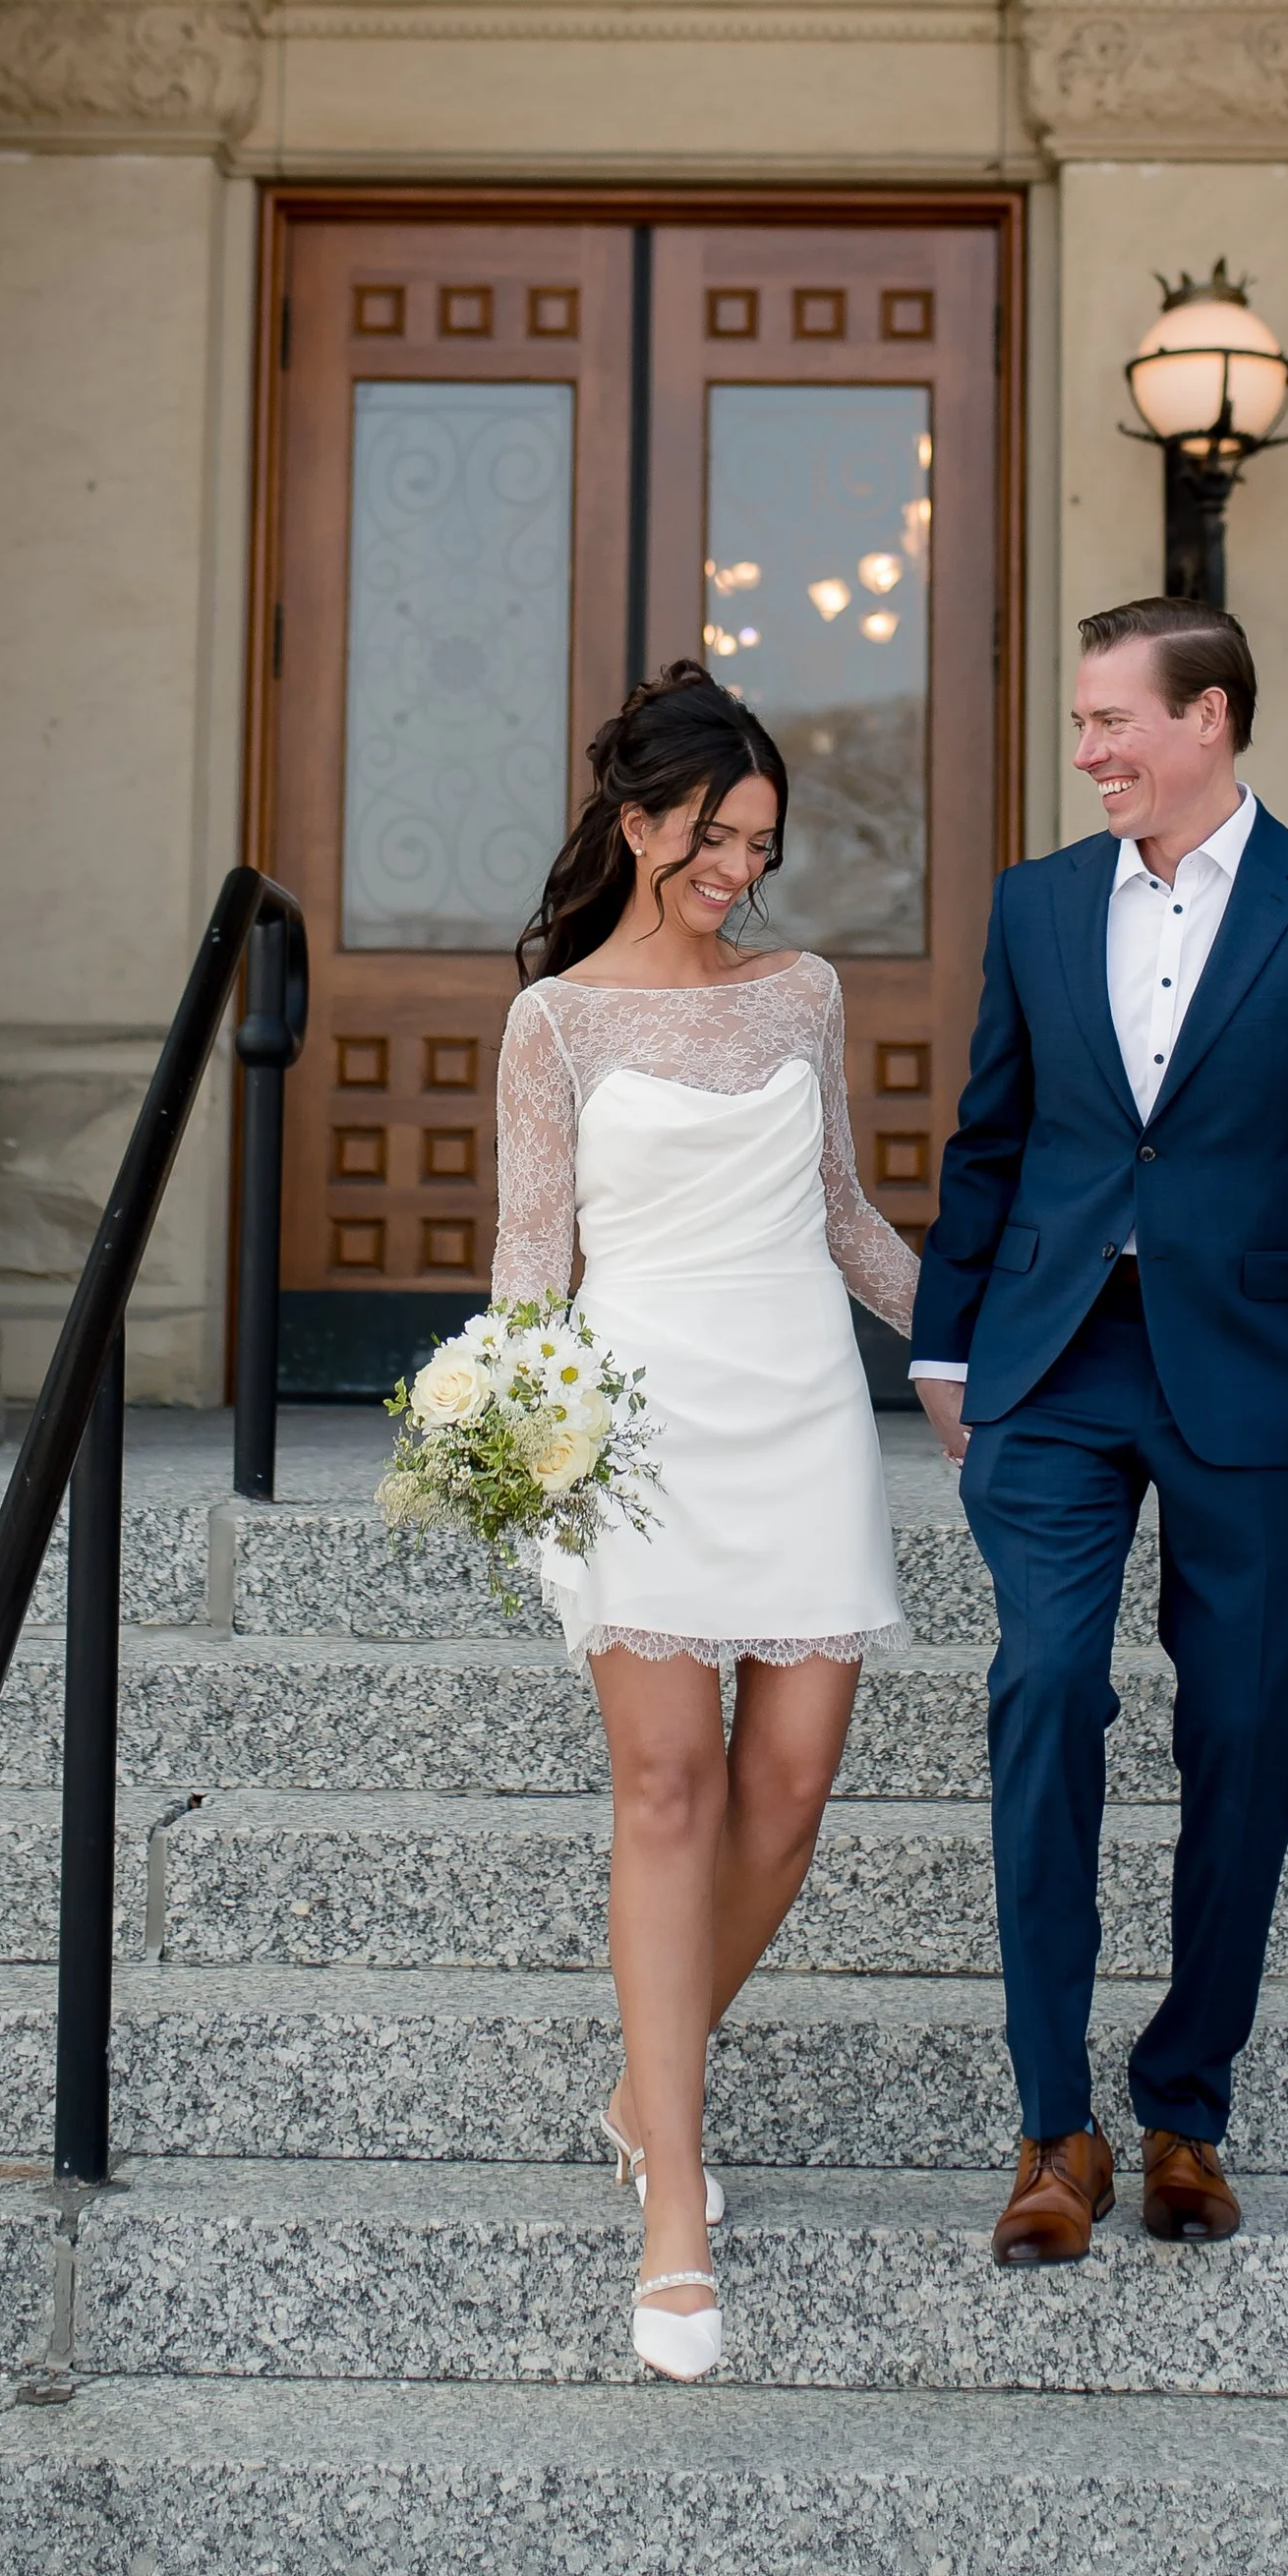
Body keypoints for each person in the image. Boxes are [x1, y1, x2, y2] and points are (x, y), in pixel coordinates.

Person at [909, 596, 1288, 2266]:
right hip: (1056, 1359)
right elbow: (990, 1133)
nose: (1087, 753)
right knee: (1043, 1682)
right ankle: (1050, 2123)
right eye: (1081, 724)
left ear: (1209, 717)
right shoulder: (1036, 905)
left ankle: (1186, 2110)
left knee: (1242, 1726)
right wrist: (946, 1337)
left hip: (1251, 1366)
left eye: (1110, 721)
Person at [491, 662, 916, 2379]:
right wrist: (521, 1443)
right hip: (640, 1426)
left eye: (761, 840)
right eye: (715, 835)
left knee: (790, 1788)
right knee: (667, 1786)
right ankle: (674, 2188)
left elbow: (843, 1211)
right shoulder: (558, 1022)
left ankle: (640, 2075)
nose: (741, 865)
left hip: (802, 1402)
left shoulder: (804, 991)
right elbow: (535, 1259)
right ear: (639, 819)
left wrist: (977, 1345)